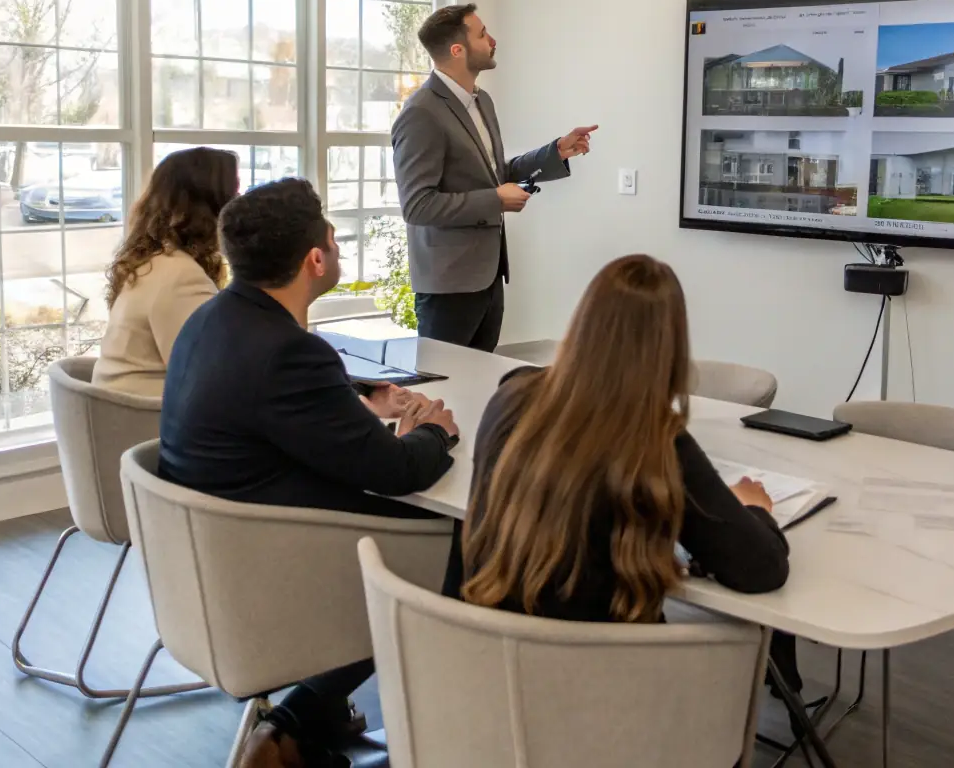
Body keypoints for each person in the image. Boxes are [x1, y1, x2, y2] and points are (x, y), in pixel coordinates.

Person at [158, 178, 460, 768]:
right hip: (280, 563)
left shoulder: (213, 320)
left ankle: (313, 718)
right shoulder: (289, 352)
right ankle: (305, 719)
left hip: (209, 557)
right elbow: (397, 471)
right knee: (464, 538)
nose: (338, 248)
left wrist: (357, 399)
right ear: (315, 259)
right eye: (335, 239)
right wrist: (433, 429)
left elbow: (269, 404)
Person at [447, 254, 802, 696]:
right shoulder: (652, 439)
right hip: (606, 694)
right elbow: (760, 569)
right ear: (670, 350)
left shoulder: (513, 394)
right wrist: (754, 508)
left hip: (489, 674)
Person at [391, 3, 597, 352]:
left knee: (478, 387)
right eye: (483, 34)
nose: (493, 40)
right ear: (458, 50)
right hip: (448, 286)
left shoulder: (482, 101)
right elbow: (417, 206)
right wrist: (496, 200)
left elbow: (494, 174)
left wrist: (556, 152)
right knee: (445, 390)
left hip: (488, 278)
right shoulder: (421, 114)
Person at [93, 147, 239, 396]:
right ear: (213, 206)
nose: (241, 204)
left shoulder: (151, 262)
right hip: (149, 421)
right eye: (235, 193)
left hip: (121, 417)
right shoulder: (181, 276)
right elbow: (209, 379)